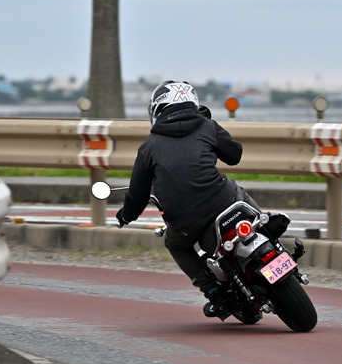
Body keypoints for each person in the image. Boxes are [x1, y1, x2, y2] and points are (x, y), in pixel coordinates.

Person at [115, 80, 281, 320]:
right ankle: (268, 229)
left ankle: (214, 292)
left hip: (185, 221)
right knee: (237, 191)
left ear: (157, 109)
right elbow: (234, 156)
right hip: (223, 201)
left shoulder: (149, 146)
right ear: (192, 102)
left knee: (175, 245)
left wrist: (126, 215)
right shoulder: (207, 126)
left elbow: (137, 194)